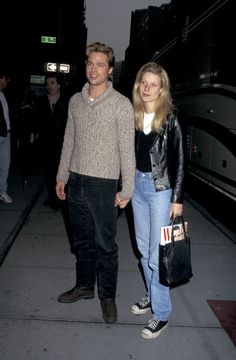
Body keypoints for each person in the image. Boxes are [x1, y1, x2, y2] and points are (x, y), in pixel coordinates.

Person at [56, 42, 135, 323]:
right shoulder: (76, 101)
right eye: (90, 62)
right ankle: (85, 286)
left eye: (100, 64)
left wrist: (127, 189)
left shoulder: (121, 105)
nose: (93, 69)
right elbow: (69, 140)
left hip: (104, 184)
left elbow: (128, 150)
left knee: (106, 245)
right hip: (76, 180)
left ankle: (108, 297)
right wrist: (62, 175)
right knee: (82, 241)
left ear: (110, 70)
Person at [130, 62, 185, 339]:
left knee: (157, 256)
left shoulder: (171, 117)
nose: (148, 87)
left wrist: (177, 198)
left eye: (153, 83)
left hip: (160, 190)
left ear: (162, 88)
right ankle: (152, 296)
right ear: (139, 86)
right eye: (144, 82)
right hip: (138, 188)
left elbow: (180, 161)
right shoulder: (136, 115)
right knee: (143, 250)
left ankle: (161, 314)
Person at [33, 74, 69, 211]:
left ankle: (62, 197)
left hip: (62, 142)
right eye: (47, 83)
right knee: (48, 172)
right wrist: (33, 134)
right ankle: (53, 198)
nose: (49, 86)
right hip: (45, 142)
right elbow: (35, 119)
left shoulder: (67, 100)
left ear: (59, 85)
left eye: (52, 83)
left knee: (60, 171)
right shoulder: (41, 101)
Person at [0, 68, 13, 204]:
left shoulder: (4, 94)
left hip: (6, 134)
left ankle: (2, 191)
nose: (7, 81)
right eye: (6, 78)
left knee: (4, 165)